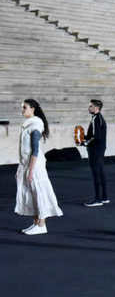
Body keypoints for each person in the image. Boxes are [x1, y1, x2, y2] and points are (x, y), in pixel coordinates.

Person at [15, 99, 62, 235]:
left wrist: (30, 169)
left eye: (24, 107)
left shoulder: (35, 124)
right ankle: (36, 223)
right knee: (30, 194)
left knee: (39, 192)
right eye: (22, 107)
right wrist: (22, 168)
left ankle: (42, 225)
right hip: (26, 163)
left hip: (34, 165)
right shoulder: (28, 124)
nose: (22, 110)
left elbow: (35, 150)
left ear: (33, 109)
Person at [83, 99, 108, 207]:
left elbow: (96, 137)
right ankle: (104, 197)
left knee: (96, 173)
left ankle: (98, 199)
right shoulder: (98, 118)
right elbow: (94, 135)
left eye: (91, 106)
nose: (89, 108)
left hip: (95, 150)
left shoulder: (96, 119)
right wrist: (85, 137)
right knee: (101, 172)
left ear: (96, 108)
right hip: (100, 149)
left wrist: (85, 142)